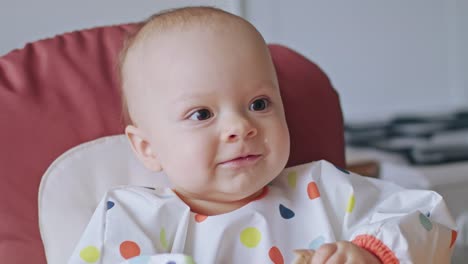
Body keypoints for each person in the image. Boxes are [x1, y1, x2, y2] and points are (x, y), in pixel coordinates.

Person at [68, 6, 457, 264]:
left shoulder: (323, 189)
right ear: (147, 148)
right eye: (201, 114)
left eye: (259, 104)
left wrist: (369, 254)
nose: (240, 126)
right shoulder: (134, 217)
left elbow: (428, 218)